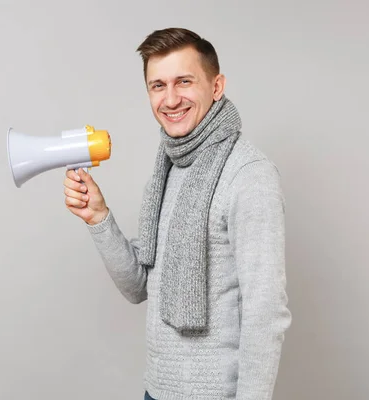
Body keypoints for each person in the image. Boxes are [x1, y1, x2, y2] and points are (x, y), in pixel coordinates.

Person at [63, 27, 291, 400]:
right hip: (157, 391)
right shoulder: (168, 168)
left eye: (184, 82)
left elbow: (265, 314)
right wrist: (98, 217)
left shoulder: (249, 175)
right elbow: (139, 286)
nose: (170, 99)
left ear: (216, 87)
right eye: (157, 86)